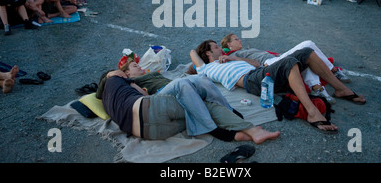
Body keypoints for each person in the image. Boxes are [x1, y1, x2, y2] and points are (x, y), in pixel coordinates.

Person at [192, 40, 366, 133]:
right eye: (215, 48)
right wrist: (209, 55)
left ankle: (341, 89)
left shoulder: (229, 58)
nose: (220, 50)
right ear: (207, 53)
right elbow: (193, 53)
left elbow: (254, 63)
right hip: (251, 81)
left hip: (260, 72)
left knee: (306, 52)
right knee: (289, 62)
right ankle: (312, 113)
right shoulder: (206, 68)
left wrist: (233, 58)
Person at [97, 63, 280, 143]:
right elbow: (141, 94)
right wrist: (111, 74)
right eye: (132, 67)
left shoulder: (115, 93)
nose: (137, 66)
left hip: (149, 129)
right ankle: (225, 129)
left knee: (199, 90)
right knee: (185, 85)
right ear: (121, 73)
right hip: (154, 103)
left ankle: (231, 122)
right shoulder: (117, 80)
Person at [219, 34, 352, 103]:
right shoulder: (233, 56)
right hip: (269, 64)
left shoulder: (243, 51)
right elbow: (254, 65)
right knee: (308, 44)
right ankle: (333, 71)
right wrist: (233, 57)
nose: (240, 40)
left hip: (275, 59)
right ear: (229, 44)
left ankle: (318, 89)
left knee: (305, 61)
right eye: (236, 39)